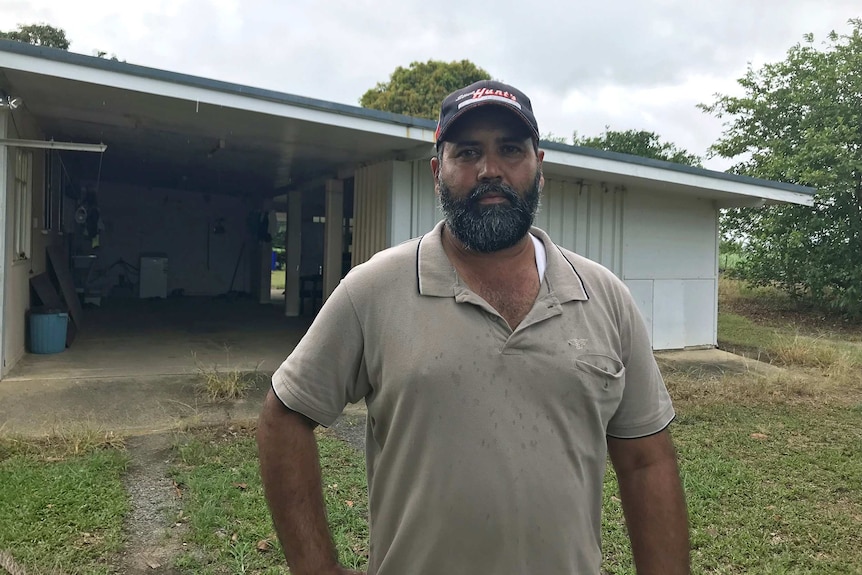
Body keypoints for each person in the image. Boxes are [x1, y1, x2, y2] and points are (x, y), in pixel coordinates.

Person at [257, 80, 690, 575]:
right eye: (468, 152)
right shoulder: (373, 290)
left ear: (539, 167)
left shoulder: (603, 296)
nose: (490, 170)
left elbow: (646, 462)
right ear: (438, 171)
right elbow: (284, 418)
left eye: (510, 150)